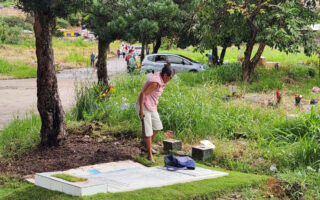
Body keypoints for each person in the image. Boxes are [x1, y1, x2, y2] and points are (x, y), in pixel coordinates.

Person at [136, 64, 175, 162]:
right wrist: (141, 110)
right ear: (165, 75)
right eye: (170, 77)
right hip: (143, 105)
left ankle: (146, 146)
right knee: (148, 132)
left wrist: (155, 106)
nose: (171, 80)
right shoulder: (155, 83)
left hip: (152, 106)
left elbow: (154, 96)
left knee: (157, 127)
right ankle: (149, 155)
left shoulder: (161, 79)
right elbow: (143, 94)